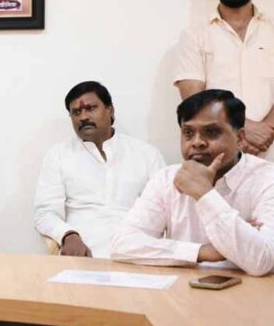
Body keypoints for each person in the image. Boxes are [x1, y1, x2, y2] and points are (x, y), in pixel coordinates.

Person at [111, 90, 274, 276]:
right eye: (188, 133)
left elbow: (262, 261)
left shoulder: (267, 179)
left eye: (211, 132)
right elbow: (122, 244)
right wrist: (202, 252)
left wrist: (204, 194)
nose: (197, 142)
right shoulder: (166, 179)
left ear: (240, 137)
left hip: (251, 291)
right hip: (182, 288)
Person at [33, 81, 164, 258]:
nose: (83, 117)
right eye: (76, 112)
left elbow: (166, 208)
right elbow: (45, 213)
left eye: (90, 108)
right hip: (83, 253)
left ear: (110, 110)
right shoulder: (59, 155)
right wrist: (67, 235)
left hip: (139, 252)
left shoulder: (146, 154)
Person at [171, 0, 274, 160]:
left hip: (270, 149)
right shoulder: (194, 35)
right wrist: (243, 129)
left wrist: (267, 131)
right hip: (216, 153)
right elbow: (194, 101)